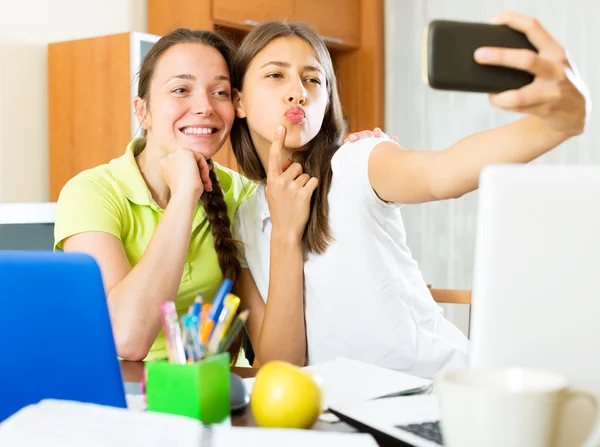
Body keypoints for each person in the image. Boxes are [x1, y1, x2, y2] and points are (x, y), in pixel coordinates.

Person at [230, 12, 589, 378]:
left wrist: (552, 125)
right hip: (346, 413)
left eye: (313, 79)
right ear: (238, 101)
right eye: (276, 75)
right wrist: (285, 236)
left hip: (439, 390)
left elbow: (443, 174)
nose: (298, 92)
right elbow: (281, 364)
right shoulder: (244, 219)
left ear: (327, 102)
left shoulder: (356, 162)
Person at [53, 27, 383, 363]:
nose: (204, 107)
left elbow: (276, 348)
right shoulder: (91, 193)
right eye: (181, 89)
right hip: (129, 396)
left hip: (223, 395)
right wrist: (184, 195)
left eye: (220, 92)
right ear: (142, 111)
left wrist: (353, 155)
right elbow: (127, 338)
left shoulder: (241, 195)